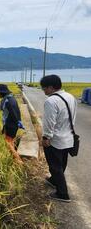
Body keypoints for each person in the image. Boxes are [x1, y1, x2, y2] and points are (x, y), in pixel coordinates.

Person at [40, 75, 77, 203]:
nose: (43, 91)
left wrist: (46, 137)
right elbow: (73, 117)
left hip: (55, 140)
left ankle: (63, 193)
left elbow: (49, 122)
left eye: (44, 88)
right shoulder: (70, 97)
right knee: (61, 163)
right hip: (68, 138)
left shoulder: (51, 101)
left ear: (51, 87)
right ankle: (54, 180)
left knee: (55, 166)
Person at [0, 84, 24, 164]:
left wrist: (17, 122)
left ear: (1, 93)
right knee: (11, 142)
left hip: (10, 125)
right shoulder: (10, 98)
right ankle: (14, 159)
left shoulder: (8, 101)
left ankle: (19, 161)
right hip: (12, 124)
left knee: (8, 143)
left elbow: (14, 113)